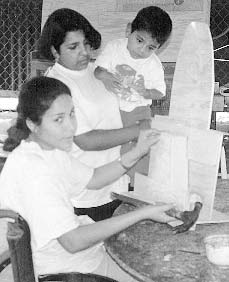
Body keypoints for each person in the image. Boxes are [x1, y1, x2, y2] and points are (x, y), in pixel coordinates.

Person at [0, 76, 175, 282]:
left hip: (74, 260)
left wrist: (138, 151)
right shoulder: (36, 172)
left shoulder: (46, 150)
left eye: (72, 114)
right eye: (58, 119)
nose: (71, 127)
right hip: (66, 271)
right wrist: (144, 213)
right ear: (32, 124)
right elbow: (73, 241)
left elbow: (94, 178)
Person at [37, 8, 152, 221]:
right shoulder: (57, 85)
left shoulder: (96, 69)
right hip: (87, 194)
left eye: (86, 44)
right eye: (73, 47)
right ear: (55, 51)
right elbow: (85, 140)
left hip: (117, 181)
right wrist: (138, 131)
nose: (84, 53)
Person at [94, 6, 172, 186]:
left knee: (140, 149)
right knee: (112, 150)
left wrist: (144, 91)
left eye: (151, 47)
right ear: (129, 30)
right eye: (139, 40)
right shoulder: (115, 47)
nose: (142, 49)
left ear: (158, 48)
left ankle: (136, 186)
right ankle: (114, 183)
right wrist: (107, 76)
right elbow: (98, 71)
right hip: (111, 110)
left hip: (138, 112)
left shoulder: (153, 64)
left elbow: (160, 92)